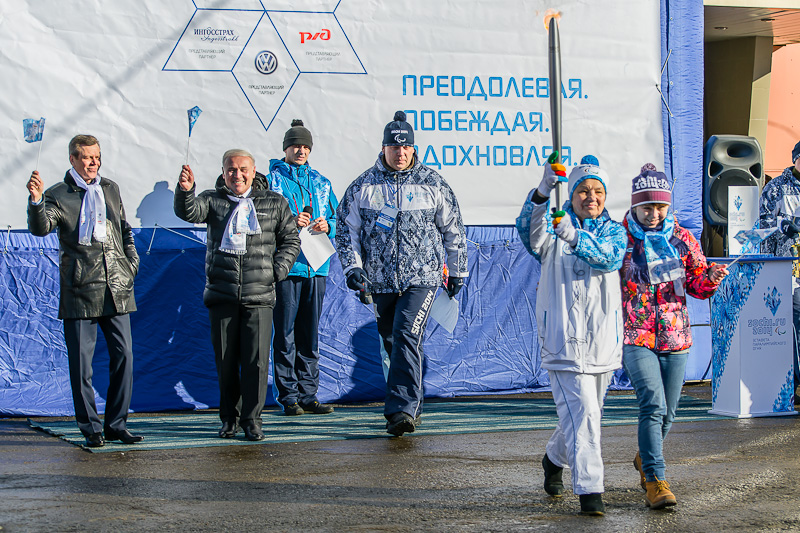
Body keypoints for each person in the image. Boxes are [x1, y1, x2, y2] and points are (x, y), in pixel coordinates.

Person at [335, 111, 468, 437]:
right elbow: (345, 232)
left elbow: (454, 230)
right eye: (394, 148)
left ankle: (400, 410)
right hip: (380, 280)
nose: (400, 154)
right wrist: (353, 268)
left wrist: (458, 269)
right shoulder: (363, 186)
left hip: (421, 277)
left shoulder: (433, 183)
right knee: (393, 342)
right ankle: (413, 403)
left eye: (405, 148)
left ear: (413, 149)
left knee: (407, 333)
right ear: (383, 149)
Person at [515, 154, 627, 516]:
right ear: (572, 194)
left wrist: (576, 237)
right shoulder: (552, 228)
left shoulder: (615, 231)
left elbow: (609, 258)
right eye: (582, 190)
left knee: (585, 414)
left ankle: (552, 459)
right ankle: (590, 491)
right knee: (585, 416)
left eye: (597, 191)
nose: (590, 197)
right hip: (563, 341)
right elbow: (528, 232)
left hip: (602, 343)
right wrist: (543, 190)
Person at [620, 163, 728, 509]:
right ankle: (655, 479)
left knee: (668, 412)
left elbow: (697, 284)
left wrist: (710, 276)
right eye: (647, 206)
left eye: (660, 206)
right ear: (635, 205)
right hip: (634, 334)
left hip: (675, 335)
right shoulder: (619, 238)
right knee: (652, 403)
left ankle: (645, 456)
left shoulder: (682, 238)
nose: (653, 213)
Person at [174, 149, 300, 441]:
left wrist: (275, 271)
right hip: (222, 294)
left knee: (256, 363)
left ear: (254, 172)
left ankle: (252, 420)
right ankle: (229, 418)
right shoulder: (213, 200)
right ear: (223, 172)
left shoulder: (274, 202)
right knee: (226, 361)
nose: (238, 175)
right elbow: (189, 211)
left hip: (260, 296)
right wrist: (185, 191)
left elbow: (291, 239)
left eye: (244, 169)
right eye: (232, 170)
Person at [26, 134, 142, 448]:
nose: (94, 163)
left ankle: (116, 424)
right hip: (80, 289)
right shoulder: (58, 194)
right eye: (87, 157)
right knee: (82, 365)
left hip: (117, 286)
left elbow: (124, 228)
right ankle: (90, 428)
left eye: (97, 157)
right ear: (73, 159)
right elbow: (41, 228)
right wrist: (36, 202)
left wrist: (130, 264)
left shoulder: (110, 188)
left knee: (125, 357)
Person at [267, 119, 338, 416]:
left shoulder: (322, 183)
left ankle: (309, 395)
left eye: (306, 145)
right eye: (296, 144)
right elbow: (260, 221)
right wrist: (288, 222)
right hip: (286, 266)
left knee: (310, 334)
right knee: (284, 334)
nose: (301, 149)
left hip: (316, 266)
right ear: (285, 148)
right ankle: (288, 397)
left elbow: (337, 220)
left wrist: (327, 225)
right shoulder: (272, 181)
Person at [759, 140, 800, 406]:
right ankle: (793, 383)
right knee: (794, 325)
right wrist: (786, 225)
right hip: (789, 271)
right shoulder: (777, 188)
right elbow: (761, 226)